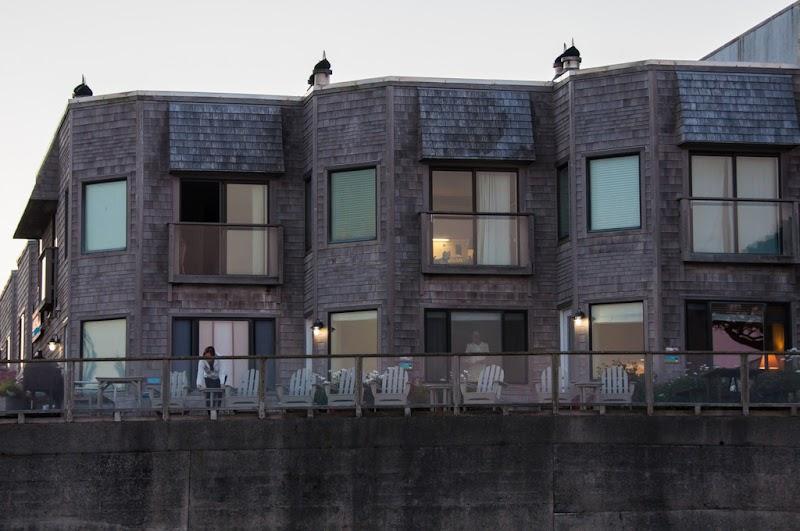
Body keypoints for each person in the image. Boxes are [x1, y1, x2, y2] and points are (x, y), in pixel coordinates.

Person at [196, 346, 228, 410]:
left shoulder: (219, 358)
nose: (207, 359)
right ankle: (209, 410)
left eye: (209, 358)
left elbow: (222, 371)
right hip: (209, 377)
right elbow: (200, 372)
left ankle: (218, 410)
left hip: (219, 376)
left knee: (219, 394)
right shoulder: (202, 360)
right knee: (208, 394)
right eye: (206, 357)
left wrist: (222, 383)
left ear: (213, 356)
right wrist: (199, 384)